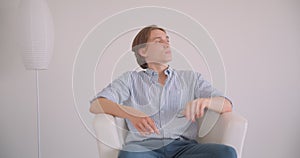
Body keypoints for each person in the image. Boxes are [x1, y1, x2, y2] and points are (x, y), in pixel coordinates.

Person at [90, 25, 237, 158]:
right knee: (130, 155)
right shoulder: (130, 80)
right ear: (143, 50)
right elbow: (96, 105)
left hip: (184, 149)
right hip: (143, 148)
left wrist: (206, 101)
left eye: (167, 39)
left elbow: (226, 105)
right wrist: (130, 113)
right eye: (158, 40)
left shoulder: (191, 78)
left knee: (226, 153)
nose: (166, 43)